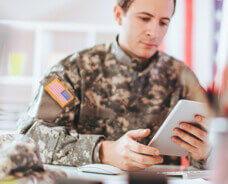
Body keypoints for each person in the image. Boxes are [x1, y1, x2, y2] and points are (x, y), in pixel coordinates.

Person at [16, 0, 210, 171]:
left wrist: (206, 154)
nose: (154, 32)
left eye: (163, 22)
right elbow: (27, 137)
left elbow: (224, 151)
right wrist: (101, 151)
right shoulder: (73, 71)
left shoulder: (183, 78)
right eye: (144, 18)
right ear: (119, 15)